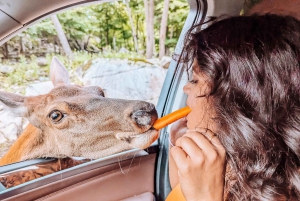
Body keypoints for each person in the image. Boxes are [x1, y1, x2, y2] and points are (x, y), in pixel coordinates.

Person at [168, 14, 300, 201]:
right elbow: (179, 192)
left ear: (238, 101)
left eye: (195, 80)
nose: (186, 88)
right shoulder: (228, 159)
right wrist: (176, 142)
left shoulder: (286, 192)